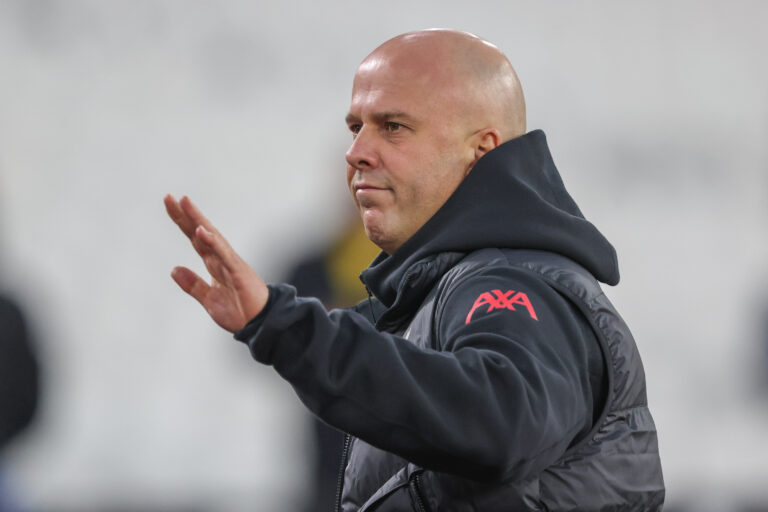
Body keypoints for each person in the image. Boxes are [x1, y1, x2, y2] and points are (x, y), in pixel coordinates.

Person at [165, 29, 664, 511]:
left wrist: (288, 327)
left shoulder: (510, 280)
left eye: (394, 127)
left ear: (482, 150)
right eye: (356, 127)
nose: (355, 153)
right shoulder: (439, 290)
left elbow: (499, 421)